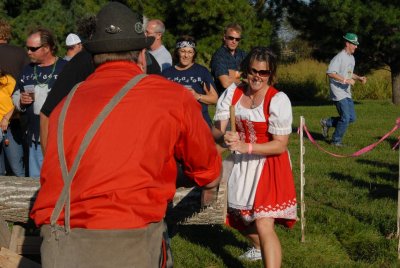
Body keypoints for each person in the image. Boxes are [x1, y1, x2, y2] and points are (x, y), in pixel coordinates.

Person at [30, 2, 221, 267]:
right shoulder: (171, 96)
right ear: (142, 55)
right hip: (131, 237)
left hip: (62, 239)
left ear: (94, 57)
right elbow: (206, 165)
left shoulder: (66, 104)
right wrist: (210, 185)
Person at [213, 47, 297, 267]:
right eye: (253, 71)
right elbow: (217, 132)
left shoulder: (277, 99)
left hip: (269, 164)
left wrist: (245, 146)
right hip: (241, 163)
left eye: (264, 72)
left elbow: (280, 145)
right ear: (245, 70)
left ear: (271, 74)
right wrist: (225, 137)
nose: (257, 76)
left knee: (263, 223)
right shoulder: (233, 93)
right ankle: (260, 248)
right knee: (237, 217)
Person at [12, 28, 67, 177]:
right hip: (34, 139)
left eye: (33, 49)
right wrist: (20, 101)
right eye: (27, 48)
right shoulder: (27, 70)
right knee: (36, 183)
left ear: (47, 48)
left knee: (57, 180)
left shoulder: (65, 69)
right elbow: (15, 94)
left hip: (59, 139)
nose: (28, 52)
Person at [320, 32, 367, 147]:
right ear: (347, 43)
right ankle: (336, 141)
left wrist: (359, 78)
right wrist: (345, 80)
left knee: (351, 118)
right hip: (338, 92)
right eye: (354, 44)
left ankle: (327, 122)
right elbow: (330, 73)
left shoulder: (351, 58)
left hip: (346, 92)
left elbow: (349, 74)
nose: (356, 47)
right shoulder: (339, 57)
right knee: (345, 118)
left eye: (356, 44)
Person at [162, 35, 218, 127]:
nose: (186, 55)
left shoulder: (202, 71)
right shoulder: (166, 73)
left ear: (194, 54)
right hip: (174, 123)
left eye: (190, 52)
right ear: (177, 52)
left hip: (199, 123)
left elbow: (214, 98)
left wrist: (197, 96)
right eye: (183, 51)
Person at [0, 19, 29, 176]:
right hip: (15, 115)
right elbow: (29, 83)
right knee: (18, 166)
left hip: (6, 115)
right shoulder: (20, 53)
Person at [210, 22, 246, 95]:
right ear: (224, 37)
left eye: (237, 39)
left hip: (243, 98)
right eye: (231, 38)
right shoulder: (219, 56)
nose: (234, 41)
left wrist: (234, 74)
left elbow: (253, 74)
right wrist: (245, 78)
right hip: (226, 100)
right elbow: (225, 83)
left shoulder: (243, 54)